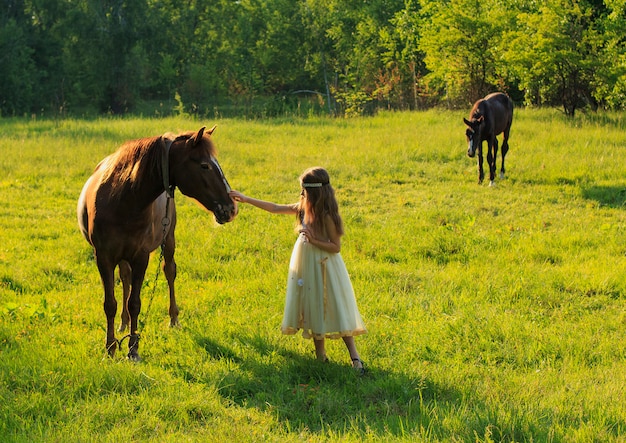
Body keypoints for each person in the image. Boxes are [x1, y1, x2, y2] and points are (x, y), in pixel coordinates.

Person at [229, 167, 366, 374]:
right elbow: (275, 208)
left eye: (303, 191)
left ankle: (355, 358)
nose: (301, 194)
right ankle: (320, 356)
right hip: (306, 263)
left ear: (313, 193)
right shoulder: (303, 207)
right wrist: (246, 199)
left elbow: (335, 247)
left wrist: (314, 240)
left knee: (334, 306)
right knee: (312, 304)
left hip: (325, 266)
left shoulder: (327, 215)